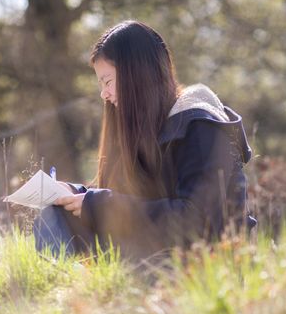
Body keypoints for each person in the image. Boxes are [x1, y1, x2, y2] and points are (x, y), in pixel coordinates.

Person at [33, 20, 256, 262]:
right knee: (53, 216)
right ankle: (73, 289)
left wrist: (100, 204)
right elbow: (130, 199)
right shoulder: (145, 128)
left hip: (200, 265)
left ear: (136, 75)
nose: (104, 94)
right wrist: (79, 195)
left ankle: (91, 287)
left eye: (107, 82)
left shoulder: (201, 127)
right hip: (149, 254)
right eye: (101, 84)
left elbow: (197, 223)